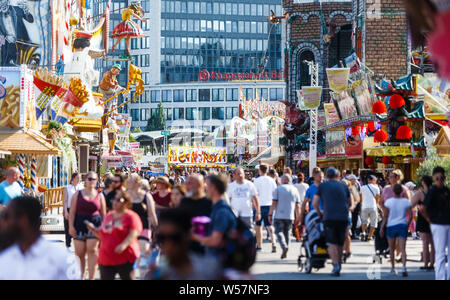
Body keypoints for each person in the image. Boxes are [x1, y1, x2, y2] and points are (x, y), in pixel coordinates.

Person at [0, 196, 81, 280]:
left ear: (23, 220)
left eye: (6, 216)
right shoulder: (4, 259)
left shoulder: (63, 258)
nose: (2, 222)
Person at [145, 208, 220, 280]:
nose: (168, 244)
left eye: (175, 238)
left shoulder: (211, 271)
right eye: (162, 238)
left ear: (188, 236)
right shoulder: (157, 274)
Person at [88, 190, 142, 280]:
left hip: (124, 256)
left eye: (118, 200)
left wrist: (123, 245)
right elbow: (103, 234)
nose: (115, 202)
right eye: (114, 200)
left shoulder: (131, 216)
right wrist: (94, 230)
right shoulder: (109, 216)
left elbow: (134, 233)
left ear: (126, 202)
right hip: (106, 257)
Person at [313, 168, 351, 277]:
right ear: (338, 176)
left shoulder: (322, 186)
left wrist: (320, 213)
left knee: (331, 242)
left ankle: (335, 265)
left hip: (329, 217)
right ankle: (339, 263)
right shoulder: (344, 186)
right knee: (340, 242)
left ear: (327, 176)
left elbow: (315, 202)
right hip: (343, 217)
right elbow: (350, 202)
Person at [69, 172, 107, 280]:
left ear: (97, 181)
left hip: (95, 225)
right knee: (79, 253)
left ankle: (91, 277)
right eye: (89, 179)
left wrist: (103, 228)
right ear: (85, 180)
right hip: (79, 224)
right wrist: (71, 226)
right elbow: (72, 212)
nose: (91, 181)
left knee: (92, 251)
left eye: (94, 179)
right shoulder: (78, 194)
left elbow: (103, 214)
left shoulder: (100, 196)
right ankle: (81, 276)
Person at [191, 174, 237, 257]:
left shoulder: (221, 211)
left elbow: (215, 241)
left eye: (207, 185)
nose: (205, 188)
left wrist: (193, 236)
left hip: (220, 262)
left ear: (214, 188)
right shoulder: (216, 207)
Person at [422, 166, 450, 280]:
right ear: (434, 178)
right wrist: (430, 220)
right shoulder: (432, 191)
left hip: (447, 222)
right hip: (438, 224)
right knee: (440, 253)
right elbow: (423, 207)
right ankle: (441, 278)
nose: (440, 180)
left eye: (442, 178)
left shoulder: (447, 190)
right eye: (437, 178)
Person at [380, 184, 413, 277]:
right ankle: (404, 267)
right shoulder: (406, 202)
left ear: (393, 191)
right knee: (403, 248)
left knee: (391, 248)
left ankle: (393, 268)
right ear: (402, 191)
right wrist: (407, 224)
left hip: (391, 225)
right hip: (402, 225)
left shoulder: (389, 202)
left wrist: (382, 227)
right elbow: (410, 215)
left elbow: (385, 216)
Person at [269, 175, 301, 259]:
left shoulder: (278, 189)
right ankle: (286, 247)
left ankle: (284, 246)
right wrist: (298, 217)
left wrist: (270, 213)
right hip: (290, 215)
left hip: (279, 214)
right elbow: (298, 205)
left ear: (282, 180)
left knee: (278, 232)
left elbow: (274, 202)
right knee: (287, 233)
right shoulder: (294, 189)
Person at [127, 174, 158, 255]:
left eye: (130, 180)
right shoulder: (125, 196)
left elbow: (152, 215)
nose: (128, 182)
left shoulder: (146, 196)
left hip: (143, 228)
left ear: (137, 182)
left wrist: (156, 230)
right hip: (128, 229)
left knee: (143, 254)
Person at [412, 175, 435, 271]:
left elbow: (411, 204)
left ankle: (426, 263)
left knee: (425, 242)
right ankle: (432, 263)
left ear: (423, 182)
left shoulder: (420, 194)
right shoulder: (435, 192)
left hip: (423, 218)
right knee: (433, 243)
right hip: (434, 218)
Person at [253, 164, 277, 252]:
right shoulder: (272, 180)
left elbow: (254, 194)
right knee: (269, 225)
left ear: (260, 170)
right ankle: (273, 241)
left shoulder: (257, 180)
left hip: (259, 205)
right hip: (269, 204)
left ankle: (259, 245)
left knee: (258, 226)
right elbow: (275, 193)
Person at [63, 173, 82, 249]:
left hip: (78, 210)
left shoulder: (81, 188)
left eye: (80, 178)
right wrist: (65, 211)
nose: (79, 179)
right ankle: (68, 245)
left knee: (77, 228)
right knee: (68, 228)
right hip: (69, 209)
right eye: (77, 178)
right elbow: (65, 200)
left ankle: (77, 246)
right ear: (73, 178)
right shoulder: (67, 188)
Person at [360, 175, 381, 242]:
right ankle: (370, 236)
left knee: (364, 221)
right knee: (373, 222)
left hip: (364, 206)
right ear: (373, 180)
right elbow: (378, 199)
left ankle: (363, 232)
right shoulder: (376, 188)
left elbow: (361, 198)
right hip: (373, 207)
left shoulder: (362, 187)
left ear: (368, 180)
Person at [348, 174, 362, 240]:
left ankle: (353, 233)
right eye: (354, 179)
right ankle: (350, 234)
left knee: (354, 220)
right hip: (351, 207)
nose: (355, 180)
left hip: (356, 206)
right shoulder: (348, 187)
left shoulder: (356, 185)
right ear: (350, 180)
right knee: (351, 221)